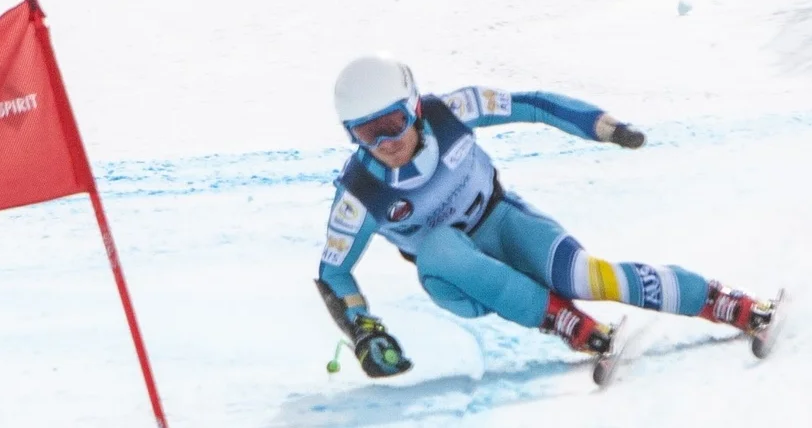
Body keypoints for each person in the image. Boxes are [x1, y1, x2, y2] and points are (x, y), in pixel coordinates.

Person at [315, 54, 775, 378]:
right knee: (438, 245)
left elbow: (532, 103)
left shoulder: (451, 112)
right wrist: (364, 332)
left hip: (502, 223)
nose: (386, 143)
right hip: (456, 279)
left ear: (413, 107)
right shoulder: (360, 193)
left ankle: (720, 302)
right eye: (367, 134)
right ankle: (563, 322)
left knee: (584, 277)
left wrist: (605, 127)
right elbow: (334, 272)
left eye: (393, 124)